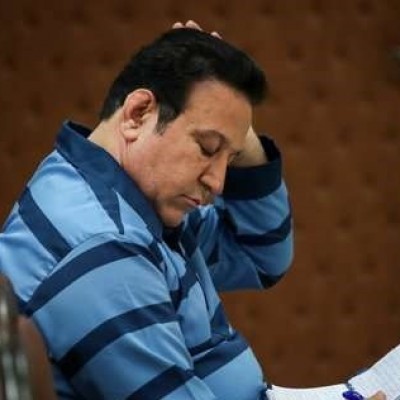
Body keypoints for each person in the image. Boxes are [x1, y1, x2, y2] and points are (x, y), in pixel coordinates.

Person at [0, 20, 384, 400]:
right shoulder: (106, 247)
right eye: (207, 148)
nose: (218, 183)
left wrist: (230, 113)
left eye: (230, 157)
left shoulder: (114, 192)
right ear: (138, 114)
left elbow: (261, 256)